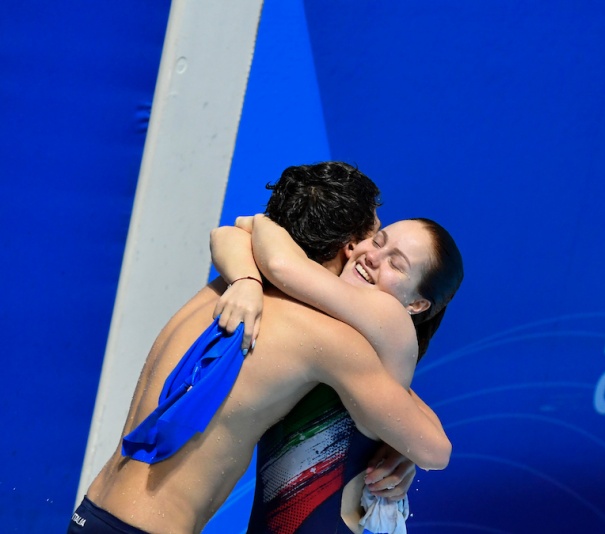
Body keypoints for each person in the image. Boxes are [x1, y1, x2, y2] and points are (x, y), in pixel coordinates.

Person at [70, 162, 455, 534]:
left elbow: (237, 236)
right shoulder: (322, 337)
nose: (368, 253)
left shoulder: (226, 286)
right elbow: (432, 447)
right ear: (348, 244)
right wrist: (402, 446)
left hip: (92, 512)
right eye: (375, 237)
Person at [210, 212, 463, 533]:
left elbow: (277, 262)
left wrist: (257, 226)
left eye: (396, 265)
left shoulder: (388, 320)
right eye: (378, 240)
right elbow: (227, 236)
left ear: (416, 305)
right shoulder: (350, 348)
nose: (372, 256)